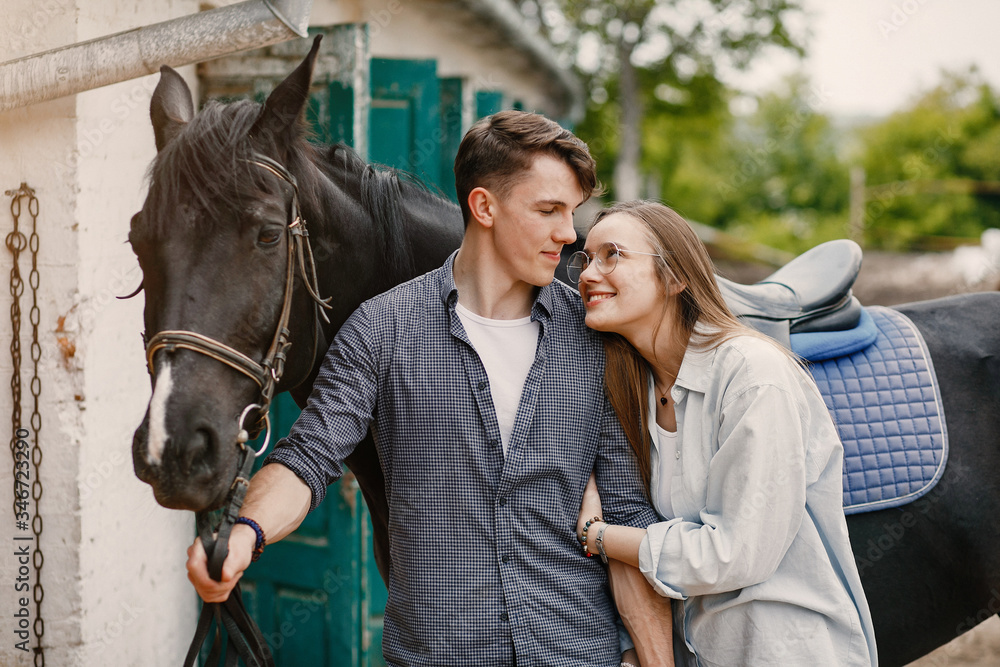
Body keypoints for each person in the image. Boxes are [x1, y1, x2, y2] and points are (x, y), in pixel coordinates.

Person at [186, 111, 660, 666]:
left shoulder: (592, 339)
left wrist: (654, 660)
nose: (568, 233)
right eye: (549, 210)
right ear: (484, 207)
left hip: (578, 654)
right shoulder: (381, 330)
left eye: (571, 212)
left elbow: (628, 517)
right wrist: (246, 531)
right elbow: (309, 458)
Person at [569, 201, 879, 666]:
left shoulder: (753, 374)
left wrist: (597, 534)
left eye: (613, 254)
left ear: (675, 279)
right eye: (587, 258)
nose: (590, 273)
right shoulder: (639, 388)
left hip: (787, 651)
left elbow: (732, 554)